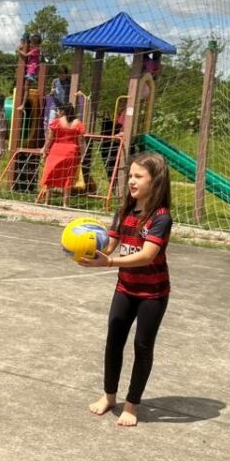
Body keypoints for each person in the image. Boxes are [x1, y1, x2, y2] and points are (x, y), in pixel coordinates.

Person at [77, 152, 173, 427]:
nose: (131, 181)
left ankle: (132, 404)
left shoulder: (161, 218)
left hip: (152, 295)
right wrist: (87, 248)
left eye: (138, 176)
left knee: (142, 346)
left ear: (155, 182)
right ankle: (109, 396)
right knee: (113, 341)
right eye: (130, 175)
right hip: (126, 289)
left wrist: (109, 262)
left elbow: (146, 256)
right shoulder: (124, 211)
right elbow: (109, 245)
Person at [38, 103, 86, 206]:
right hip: (71, 153)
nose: (57, 112)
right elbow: (81, 141)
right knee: (68, 178)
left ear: (63, 111)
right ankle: (65, 204)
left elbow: (49, 139)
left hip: (56, 151)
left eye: (59, 111)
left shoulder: (56, 122)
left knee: (51, 175)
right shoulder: (78, 124)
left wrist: (45, 149)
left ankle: (47, 202)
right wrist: (82, 154)